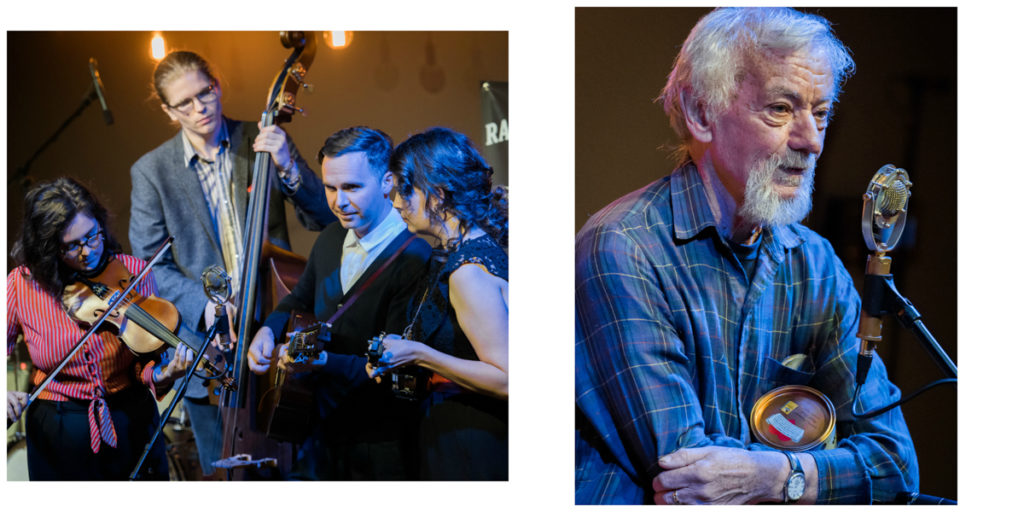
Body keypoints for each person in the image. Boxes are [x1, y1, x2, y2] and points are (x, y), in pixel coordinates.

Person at [574, 7, 918, 504]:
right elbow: (688, 479)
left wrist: (776, 476)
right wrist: (814, 472)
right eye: (780, 108)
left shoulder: (815, 263)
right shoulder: (623, 246)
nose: (811, 141)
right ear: (701, 113)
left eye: (821, 113)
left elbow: (896, 464)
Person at [129, 50, 336, 476]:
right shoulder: (151, 172)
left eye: (204, 92)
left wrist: (288, 165)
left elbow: (322, 218)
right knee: (224, 477)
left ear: (217, 84)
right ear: (168, 111)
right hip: (209, 349)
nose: (199, 107)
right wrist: (205, 307)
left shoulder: (261, 137)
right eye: (184, 103)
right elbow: (151, 267)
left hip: (276, 331)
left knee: (299, 470)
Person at [247, 126, 432, 479]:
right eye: (330, 188)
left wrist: (322, 361)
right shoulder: (332, 236)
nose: (338, 202)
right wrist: (267, 331)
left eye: (351, 187)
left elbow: (397, 365)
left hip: (379, 439)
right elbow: (298, 298)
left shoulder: (414, 255)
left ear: (387, 181)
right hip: (319, 428)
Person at [6, 177, 192, 480]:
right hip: (58, 429)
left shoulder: (133, 273)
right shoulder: (23, 285)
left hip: (131, 419)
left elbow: (145, 364)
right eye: (72, 246)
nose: (87, 251)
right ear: (48, 248)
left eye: (92, 236)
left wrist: (163, 375)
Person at [368, 127, 509, 480]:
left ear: (438, 195)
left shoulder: (468, 272)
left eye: (405, 190)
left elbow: (508, 378)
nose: (396, 202)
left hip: (473, 440)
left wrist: (419, 354)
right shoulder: (464, 252)